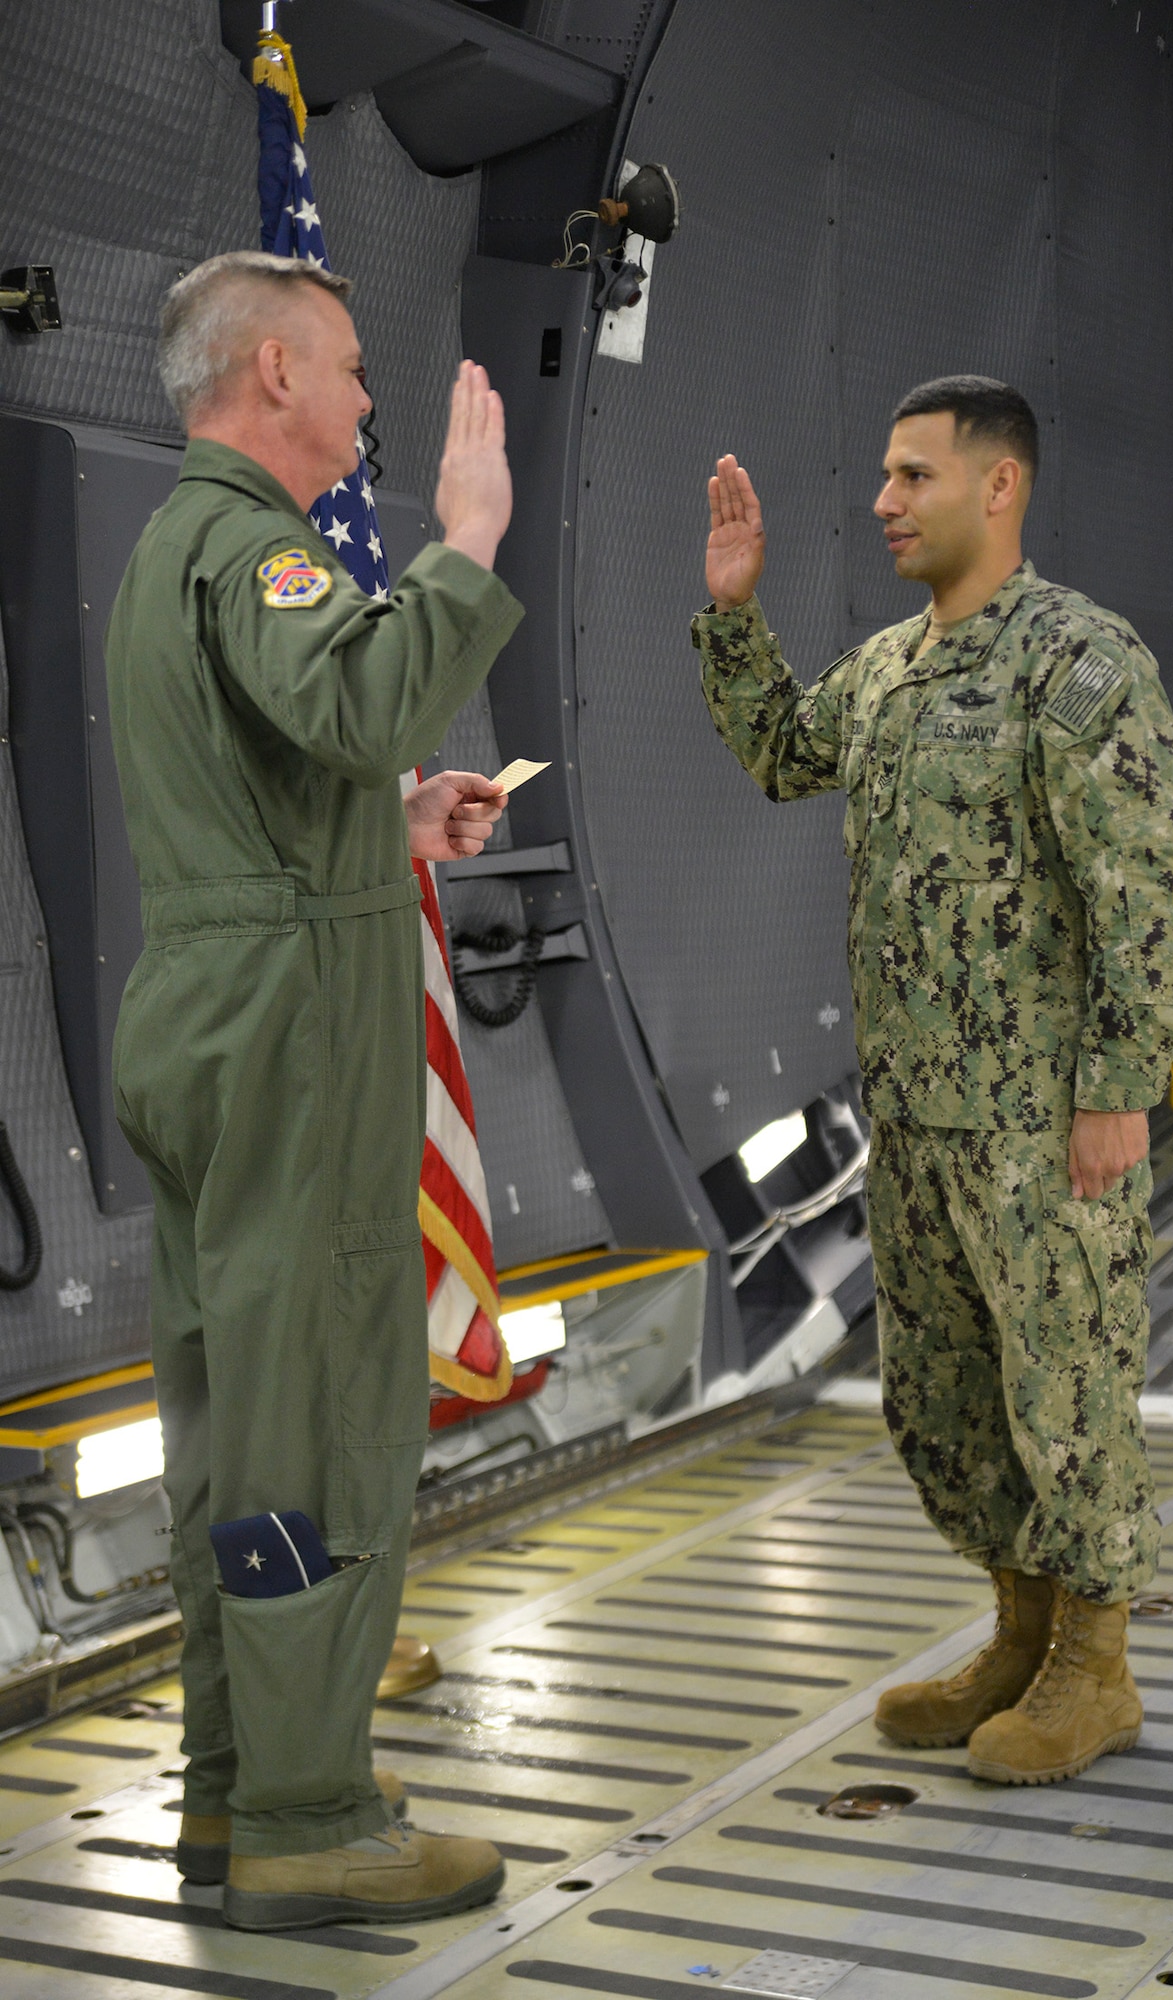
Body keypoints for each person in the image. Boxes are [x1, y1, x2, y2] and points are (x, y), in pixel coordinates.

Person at [693, 375, 1173, 1786]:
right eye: (883, 475)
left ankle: (1095, 1670)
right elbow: (784, 753)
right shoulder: (891, 671)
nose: (883, 501)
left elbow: (1162, 899)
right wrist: (736, 616)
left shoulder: (1078, 665)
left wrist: (1117, 1084)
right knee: (951, 1400)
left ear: (1000, 487)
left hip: (1046, 1127)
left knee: (1070, 1392)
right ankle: (1019, 1635)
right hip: (920, 1127)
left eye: (914, 475)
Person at [107, 249, 523, 1929]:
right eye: (348, 371)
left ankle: (231, 1794)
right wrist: (470, 533)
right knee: (319, 1422)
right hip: (290, 1044)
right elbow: (350, 690)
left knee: (229, 1421)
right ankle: (308, 1813)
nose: (365, 402)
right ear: (271, 372)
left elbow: (276, 777)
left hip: (217, 1012)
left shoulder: (170, 549)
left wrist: (395, 825)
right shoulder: (258, 550)